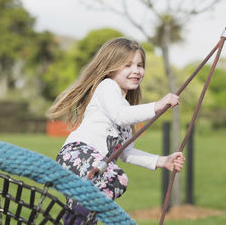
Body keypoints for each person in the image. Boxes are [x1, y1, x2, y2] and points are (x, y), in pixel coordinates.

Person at [47, 37, 185, 224]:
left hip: (93, 165)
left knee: (86, 211)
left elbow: (125, 152)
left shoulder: (126, 107)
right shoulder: (107, 87)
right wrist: (157, 106)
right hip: (76, 154)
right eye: (127, 65)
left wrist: (162, 160)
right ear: (111, 68)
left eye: (140, 65)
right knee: (116, 179)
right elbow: (120, 115)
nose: (136, 70)